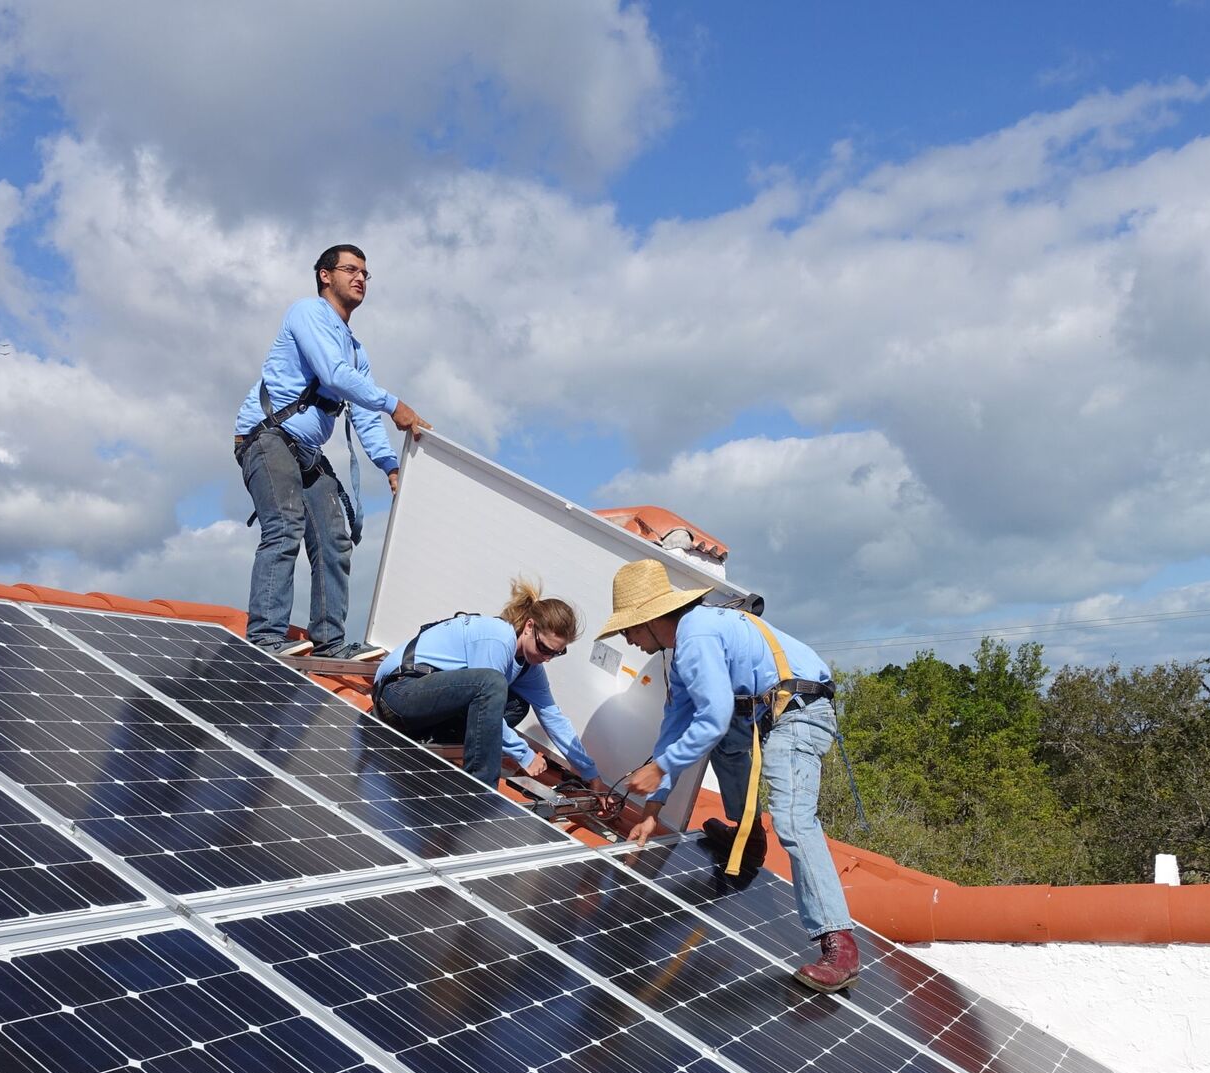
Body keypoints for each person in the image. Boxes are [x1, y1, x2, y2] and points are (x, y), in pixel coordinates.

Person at [597, 558, 861, 993]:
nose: (626, 637)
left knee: (793, 819)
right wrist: (652, 809)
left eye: (628, 627)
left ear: (649, 618)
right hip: (762, 708)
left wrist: (660, 767)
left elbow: (713, 717)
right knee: (724, 738)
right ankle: (748, 835)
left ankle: (839, 941)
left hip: (802, 709)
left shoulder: (696, 636)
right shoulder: (682, 654)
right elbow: (677, 727)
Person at [234, 244, 430, 660]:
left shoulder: (356, 349)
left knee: (335, 539)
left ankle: (330, 643)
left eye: (365, 273)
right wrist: (396, 404)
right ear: (325, 275)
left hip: (304, 449)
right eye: (350, 270)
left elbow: (361, 412)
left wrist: (390, 466)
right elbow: (332, 375)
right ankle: (266, 638)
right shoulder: (307, 313)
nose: (360, 278)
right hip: (268, 438)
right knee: (285, 526)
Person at [373, 579, 609, 792]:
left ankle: (438, 739)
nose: (547, 658)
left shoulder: (529, 665)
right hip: (397, 695)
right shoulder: (498, 638)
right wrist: (524, 755)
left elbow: (552, 716)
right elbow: (485, 696)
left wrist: (590, 773)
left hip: (426, 710)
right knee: (492, 684)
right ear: (529, 627)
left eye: (557, 653)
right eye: (544, 648)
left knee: (517, 705)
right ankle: (480, 790)